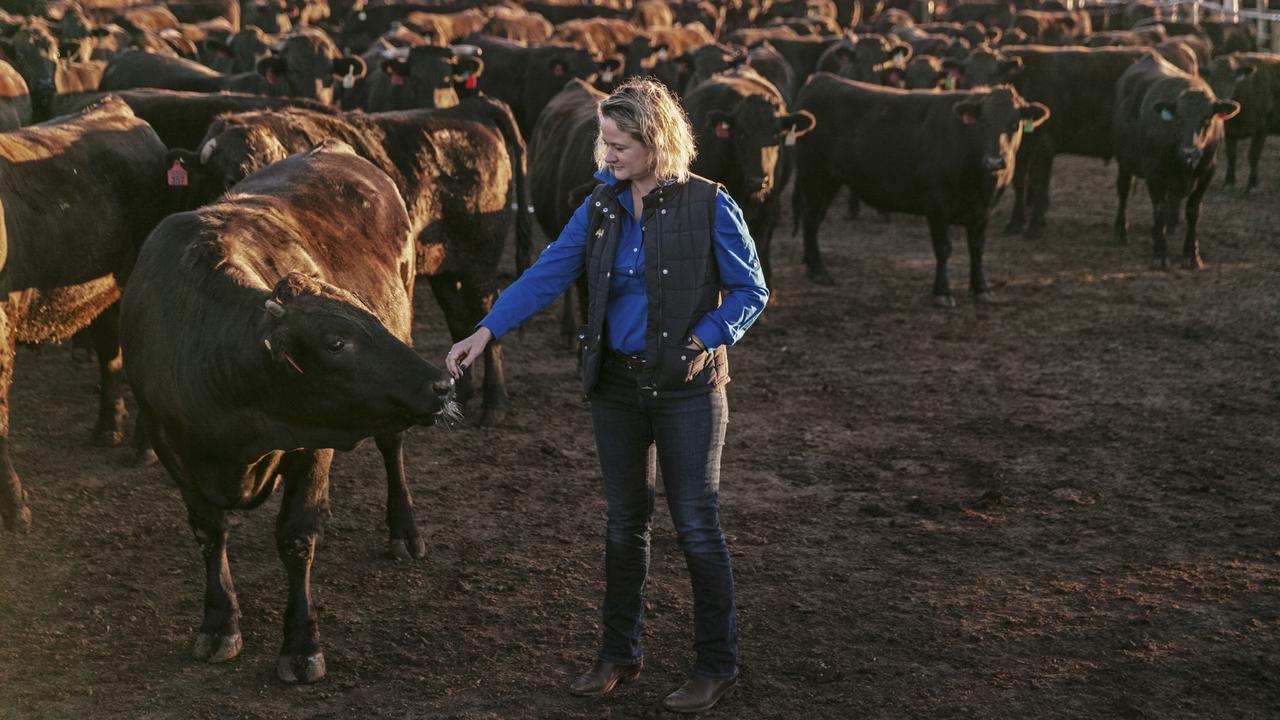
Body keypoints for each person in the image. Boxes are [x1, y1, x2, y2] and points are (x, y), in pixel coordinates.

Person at [445, 77, 768, 714]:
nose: (607, 153)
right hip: (616, 385)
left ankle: (716, 663)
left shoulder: (710, 204)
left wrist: (700, 341)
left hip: (687, 389)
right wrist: (485, 331)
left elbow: (751, 291)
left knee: (697, 526)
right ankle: (619, 652)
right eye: (604, 140)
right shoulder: (599, 206)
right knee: (625, 525)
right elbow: (547, 271)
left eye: (619, 143)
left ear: (656, 141)